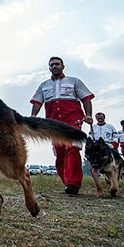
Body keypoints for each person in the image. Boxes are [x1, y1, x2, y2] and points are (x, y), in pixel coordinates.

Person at [30, 56, 94, 195]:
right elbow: (37, 102)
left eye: (57, 64)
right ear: (49, 68)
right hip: (53, 124)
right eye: (52, 65)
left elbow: (86, 98)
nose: (55, 66)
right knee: (59, 153)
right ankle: (67, 182)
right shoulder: (44, 85)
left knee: (72, 148)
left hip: (73, 121)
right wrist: (33, 118)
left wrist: (88, 114)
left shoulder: (74, 81)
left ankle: (73, 183)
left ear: (63, 66)